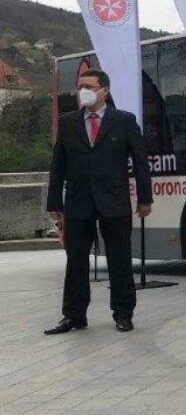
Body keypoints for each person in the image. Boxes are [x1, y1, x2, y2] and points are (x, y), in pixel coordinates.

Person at [45, 69, 152, 334]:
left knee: (119, 259)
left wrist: (145, 198)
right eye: (80, 86)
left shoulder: (124, 121)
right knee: (76, 260)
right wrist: (54, 203)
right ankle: (74, 316)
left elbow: (140, 162)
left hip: (113, 201)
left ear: (104, 90)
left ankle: (123, 313)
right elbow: (58, 166)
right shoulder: (68, 123)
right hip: (78, 202)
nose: (83, 90)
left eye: (89, 86)